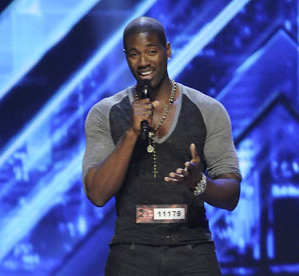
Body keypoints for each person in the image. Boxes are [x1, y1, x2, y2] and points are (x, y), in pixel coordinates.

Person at [82, 16, 241, 276]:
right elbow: (97, 194)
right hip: (130, 254)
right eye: (134, 54)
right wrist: (132, 132)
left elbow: (231, 194)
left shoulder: (208, 110)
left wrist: (199, 183)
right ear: (126, 57)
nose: (143, 62)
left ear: (167, 51)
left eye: (152, 51)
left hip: (193, 252)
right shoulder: (104, 113)